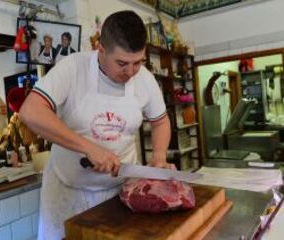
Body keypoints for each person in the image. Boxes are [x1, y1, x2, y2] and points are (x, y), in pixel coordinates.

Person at [19, 10, 173, 240]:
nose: (130, 72)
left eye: (137, 63)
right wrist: (88, 148)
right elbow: (30, 111)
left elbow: (160, 121)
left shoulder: (145, 80)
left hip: (122, 192)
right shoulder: (72, 68)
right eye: (122, 63)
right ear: (101, 49)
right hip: (67, 191)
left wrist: (159, 156)